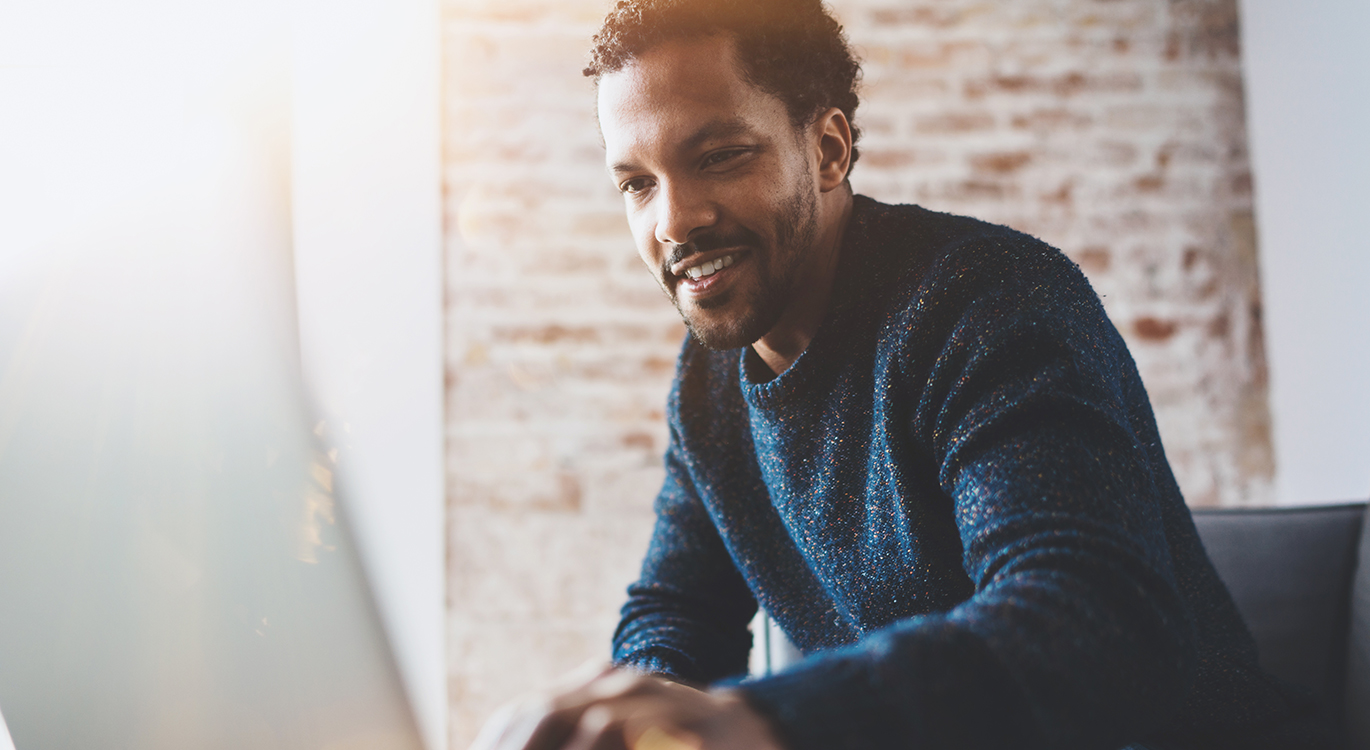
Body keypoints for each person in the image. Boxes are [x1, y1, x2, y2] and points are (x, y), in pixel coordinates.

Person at [472, 1, 1328, 748]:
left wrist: (766, 721)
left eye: (720, 156)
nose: (675, 220)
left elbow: (1094, 622)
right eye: (636, 184)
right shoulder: (710, 382)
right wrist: (638, 715)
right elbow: (677, 610)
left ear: (829, 147)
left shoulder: (984, 303)